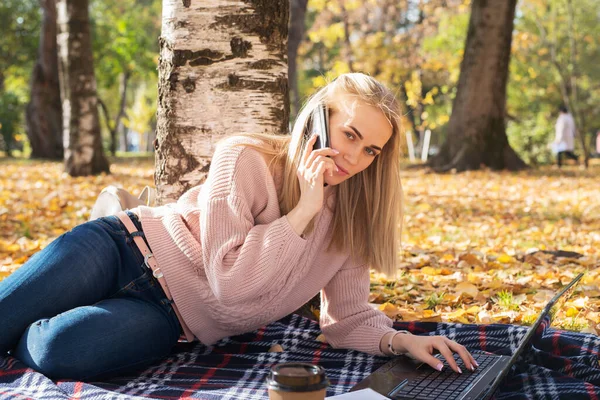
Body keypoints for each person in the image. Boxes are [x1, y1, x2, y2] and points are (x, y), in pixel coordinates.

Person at [0, 73, 477, 381]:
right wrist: (300, 214)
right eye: (350, 134)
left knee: (57, 349)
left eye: (371, 150)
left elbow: (346, 317)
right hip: (124, 245)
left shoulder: (350, 219)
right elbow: (228, 278)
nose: (354, 158)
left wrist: (404, 341)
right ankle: (108, 217)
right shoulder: (245, 156)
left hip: (175, 318)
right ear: (319, 118)